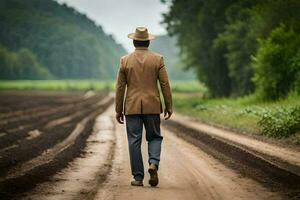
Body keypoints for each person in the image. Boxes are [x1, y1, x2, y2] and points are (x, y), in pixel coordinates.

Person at [115, 27, 173, 187]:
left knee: (134, 140)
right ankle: (153, 163)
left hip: (132, 107)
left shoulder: (124, 60)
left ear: (134, 42)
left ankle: (138, 178)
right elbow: (165, 84)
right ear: (148, 42)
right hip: (152, 106)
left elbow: (120, 87)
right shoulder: (158, 59)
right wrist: (169, 105)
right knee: (154, 137)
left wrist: (118, 109)